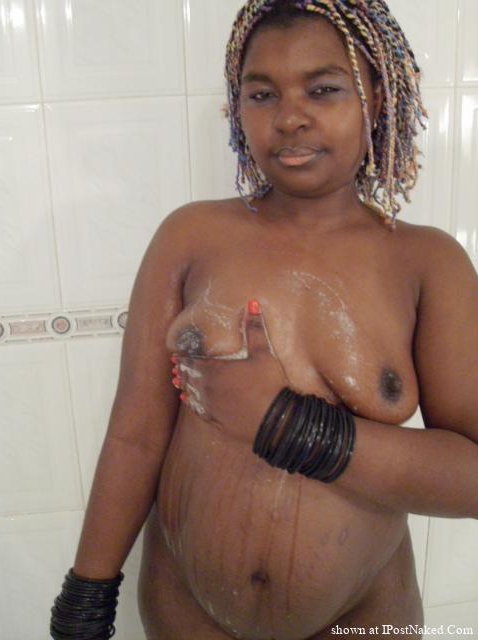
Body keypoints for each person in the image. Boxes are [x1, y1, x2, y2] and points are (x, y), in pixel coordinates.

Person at [50, 1, 478, 639]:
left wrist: (286, 423)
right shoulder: (190, 237)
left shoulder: (427, 262)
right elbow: (135, 435)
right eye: (261, 94)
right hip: (186, 609)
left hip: (363, 615)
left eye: (324, 89)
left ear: (377, 101)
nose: (289, 117)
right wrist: (85, 598)